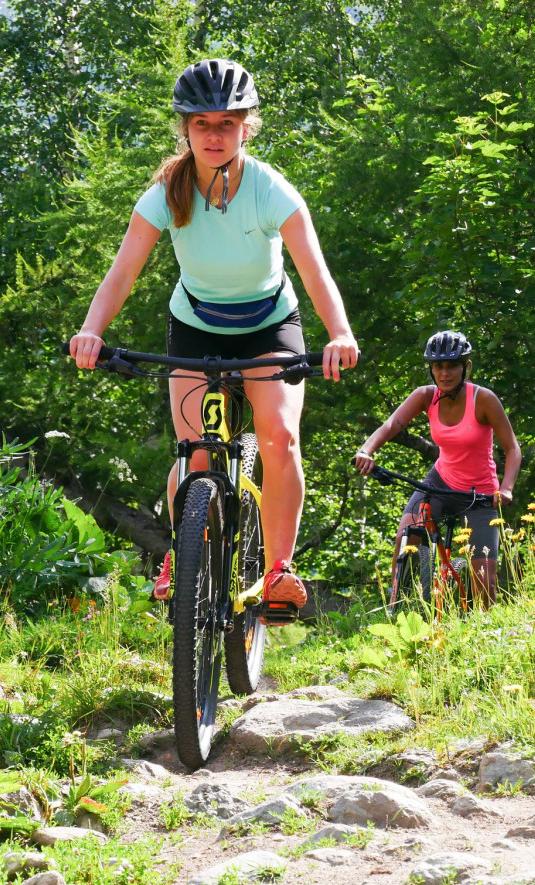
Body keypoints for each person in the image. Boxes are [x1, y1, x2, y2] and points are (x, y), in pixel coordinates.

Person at [68, 58, 359, 624]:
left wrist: (339, 334)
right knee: (194, 450)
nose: (215, 134)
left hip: (269, 328)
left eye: (228, 122)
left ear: (247, 126)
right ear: (184, 128)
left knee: (278, 437)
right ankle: (185, 554)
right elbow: (122, 271)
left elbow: (314, 271)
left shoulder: (270, 189)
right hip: (196, 326)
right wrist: (91, 331)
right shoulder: (167, 191)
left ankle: (278, 571)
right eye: (202, 123)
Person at [353, 330, 521, 606]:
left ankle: (479, 633)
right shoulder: (425, 396)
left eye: (452, 365)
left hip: (479, 494)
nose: (445, 373)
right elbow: (392, 425)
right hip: (440, 483)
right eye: (438, 366)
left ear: (465, 367)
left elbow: (513, 449)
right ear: (431, 370)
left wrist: (506, 488)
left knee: (485, 581)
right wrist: (366, 451)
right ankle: (400, 607)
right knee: (407, 536)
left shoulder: (484, 399)